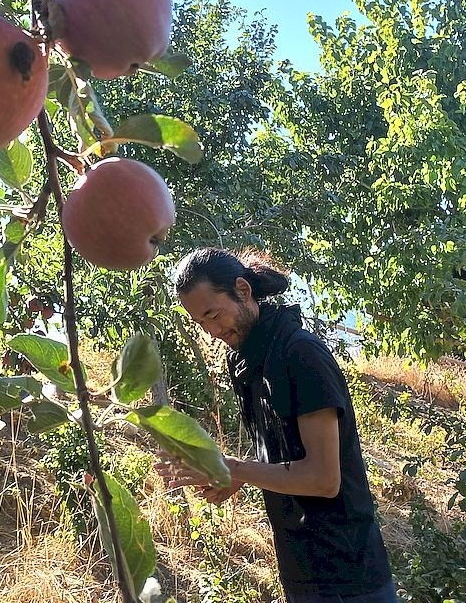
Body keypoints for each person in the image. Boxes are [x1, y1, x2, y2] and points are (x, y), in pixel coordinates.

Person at [159, 247, 396, 603]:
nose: (211, 331)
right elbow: (278, 458)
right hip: (299, 570)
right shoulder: (244, 360)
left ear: (243, 290)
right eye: (201, 323)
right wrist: (236, 476)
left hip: (350, 579)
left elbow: (323, 479)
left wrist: (237, 468)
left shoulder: (301, 354)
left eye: (213, 315)